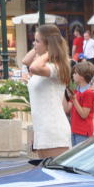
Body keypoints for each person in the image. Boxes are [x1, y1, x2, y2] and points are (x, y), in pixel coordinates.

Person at [23, 22, 73, 159]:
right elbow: (25, 61)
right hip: (42, 130)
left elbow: (33, 68)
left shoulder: (55, 67)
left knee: (55, 177)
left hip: (53, 129)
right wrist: (38, 48)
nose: (34, 44)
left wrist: (50, 51)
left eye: (37, 41)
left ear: (48, 44)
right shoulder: (47, 64)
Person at [69, 60, 94, 146]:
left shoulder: (88, 93)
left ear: (82, 76)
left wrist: (74, 99)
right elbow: (67, 109)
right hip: (74, 129)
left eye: (75, 73)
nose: (73, 75)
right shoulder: (76, 91)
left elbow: (84, 114)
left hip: (83, 132)